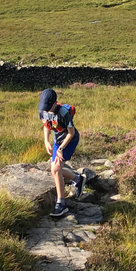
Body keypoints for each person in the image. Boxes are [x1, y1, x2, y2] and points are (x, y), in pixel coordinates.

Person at [38, 88, 85, 218]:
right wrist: (46, 141)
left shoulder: (63, 113)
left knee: (56, 169)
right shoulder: (43, 110)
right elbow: (46, 126)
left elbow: (71, 133)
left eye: (49, 107)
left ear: (55, 103)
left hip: (69, 141)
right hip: (57, 142)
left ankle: (61, 203)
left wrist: (61, 148)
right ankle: (78, 179)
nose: (46, 110)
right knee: (54, 170)